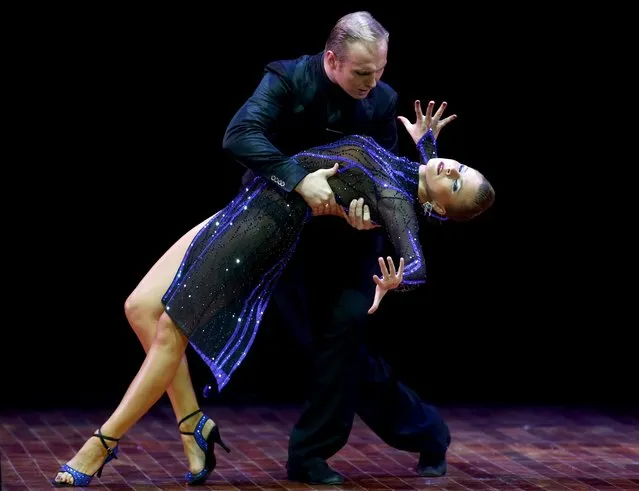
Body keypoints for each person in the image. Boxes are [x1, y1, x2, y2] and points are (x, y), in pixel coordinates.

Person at [51, 100, 495, 487]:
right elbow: (430, 170)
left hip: (263, 231)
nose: (454, 170)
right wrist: (428, 145)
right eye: (463, 168)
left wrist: (396, 280)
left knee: (171, 330)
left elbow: (417, 263)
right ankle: (194, 425)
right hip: (252, 200)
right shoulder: (411, 166)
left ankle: (101, 444)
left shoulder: (398, 202)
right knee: (140, 307)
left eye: (456, 183)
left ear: (437, 208)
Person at [221, 11, 456, 485]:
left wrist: (358, 210)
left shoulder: (382, 100)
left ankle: (309, 456)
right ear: (332, 59)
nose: (374, 82)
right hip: (279, 235)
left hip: (347, 241)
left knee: (341, 342)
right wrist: (299, 179)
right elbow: (240, 135)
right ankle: (428, 432)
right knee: (336, 356)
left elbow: (383, 176)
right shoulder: (288, 80)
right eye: (363, 72)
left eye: (381, 70)